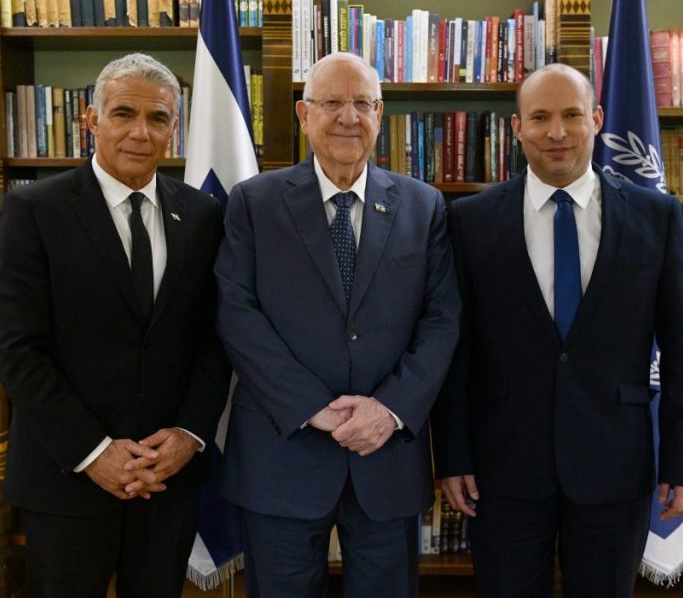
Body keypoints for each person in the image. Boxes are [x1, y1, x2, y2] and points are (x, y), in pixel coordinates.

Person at [432, 63, 683, 597]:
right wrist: (453, 455)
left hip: (616, 465)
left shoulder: (657, 218)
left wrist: (680, 457)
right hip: (502, 471)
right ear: (517, 127)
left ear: (595, 119)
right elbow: (455, 349)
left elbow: (682, 347)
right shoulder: (470, 221)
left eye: (571, 115)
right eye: (540, 117)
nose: (557, 132)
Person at [215, 51, 461, 597]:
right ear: (304, 114)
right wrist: (311, 407)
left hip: (385, 455)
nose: (348, 117)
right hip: (283, 452)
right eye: (332, 103)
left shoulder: (424, 207)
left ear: (380, 114)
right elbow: (237, 315)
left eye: (362, 104)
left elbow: (442, 321)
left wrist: (389, 409)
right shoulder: (253, 203)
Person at [0, 53, 229, 598]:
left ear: (175, 129)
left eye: (158, 119)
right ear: (91, 120)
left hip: (166, 479)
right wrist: (96, 452)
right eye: (124, 113)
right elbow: (17, 350)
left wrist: (189, 436)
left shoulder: (202, 216)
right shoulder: (32, 211)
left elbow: (214, 341)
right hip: (66, 478)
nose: (140, 132)